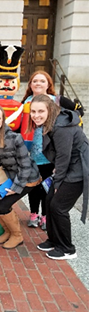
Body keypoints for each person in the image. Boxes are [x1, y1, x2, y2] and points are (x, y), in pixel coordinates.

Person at [21, 70, 84, 230]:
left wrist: (73, 128)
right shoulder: (26, 102)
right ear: (30, 85)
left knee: (47, 187)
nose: (38, 84)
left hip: (51, 152)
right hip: (33, 151)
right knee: (34, 186)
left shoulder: (56, 100)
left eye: (42, 81)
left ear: (49, 84)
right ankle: (33, 214)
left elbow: (77, 111)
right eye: (35, 81)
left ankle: (45, 215)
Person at [29, 94, 89, 260]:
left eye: (40, 111)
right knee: (49, 201)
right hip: (70, 165)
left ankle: (67, 248)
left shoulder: (61, 127)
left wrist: (57, 182)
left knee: (58, 206)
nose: (36, 115)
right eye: (33, 111)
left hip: (79, 168)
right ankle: (53, 240)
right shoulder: (51, 122)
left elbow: (64, 157)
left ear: (50, 110)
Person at [0, 105, 41, 249]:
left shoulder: (14, 138)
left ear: (3, 120)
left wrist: (16, 186)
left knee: (4, 206)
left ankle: (17, 236)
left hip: (27, 178)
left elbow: (25, 165)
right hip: (8, 178)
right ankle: (8, 231)